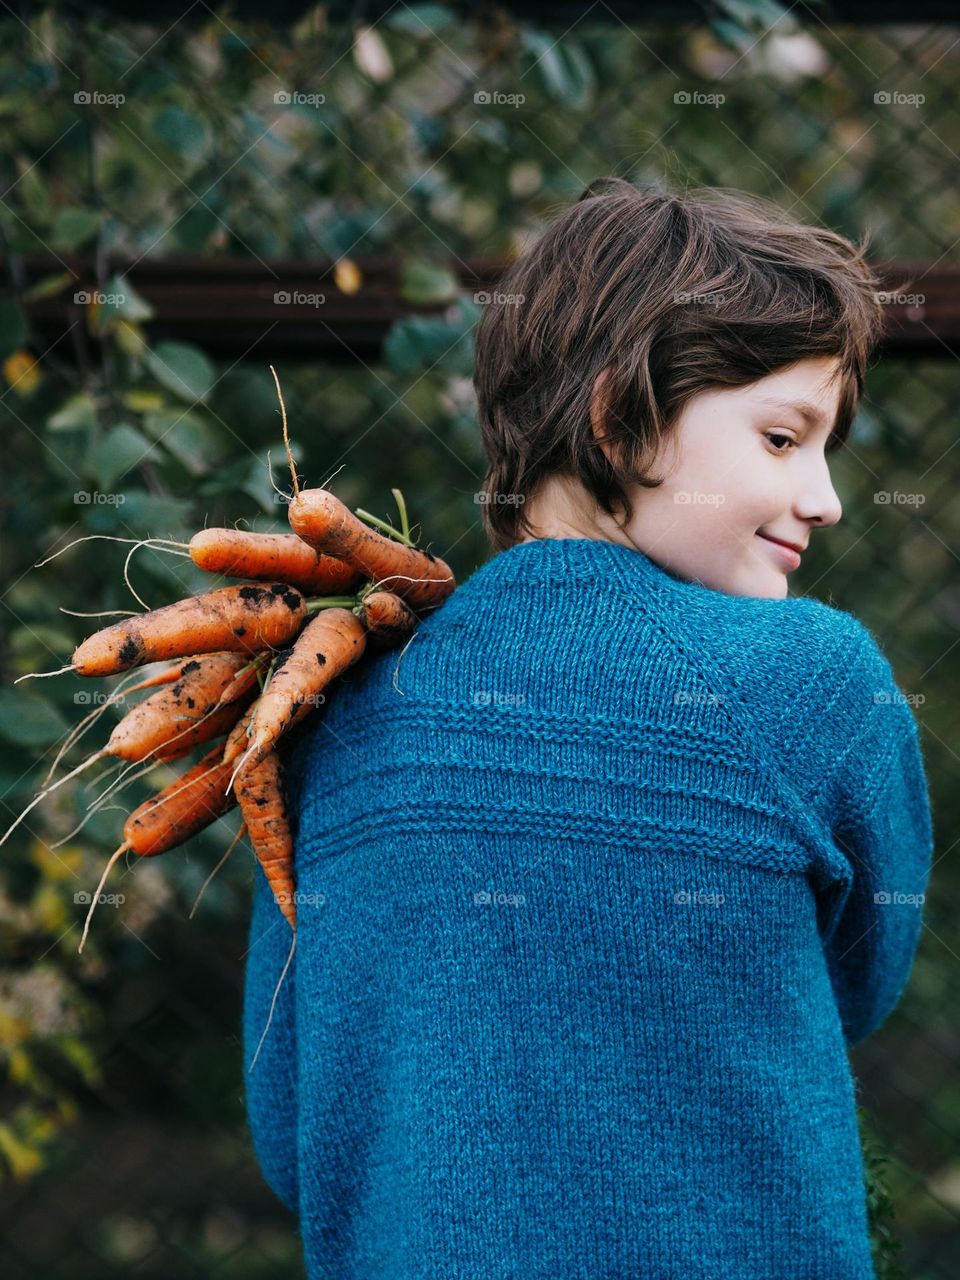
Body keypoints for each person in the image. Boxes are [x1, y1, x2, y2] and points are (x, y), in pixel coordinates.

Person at [242, 177, 935, 1278]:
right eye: (782, 436)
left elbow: (296, 1122)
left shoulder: (332, 716)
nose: (825, 496)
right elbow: (856, 978)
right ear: (619, 416)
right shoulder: (814, 683)